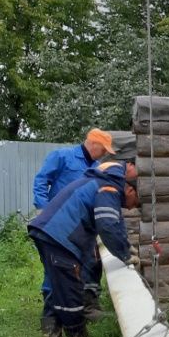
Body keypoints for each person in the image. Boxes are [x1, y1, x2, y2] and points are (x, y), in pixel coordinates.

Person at [28, 161, 139, 337]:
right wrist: (126, 255)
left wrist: (127, 246)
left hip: (50, 232)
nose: (131, 208)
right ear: (130, 189)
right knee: (70, 290)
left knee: (59, 287)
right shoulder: (109, 188)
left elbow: (116, 224)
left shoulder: (102, 183)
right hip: (60, 236)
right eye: (136, 202)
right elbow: (107, 225)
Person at [32, 128, 118, 320]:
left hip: (82, 227)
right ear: (93, 143)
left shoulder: (97, 168)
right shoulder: (62, 156)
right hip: (57, 226)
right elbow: (41, 180)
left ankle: (83, 306)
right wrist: (43, 208)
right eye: (104, 149)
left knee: (89, 263)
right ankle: (52, 317)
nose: (105, 153)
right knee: (55, 267)